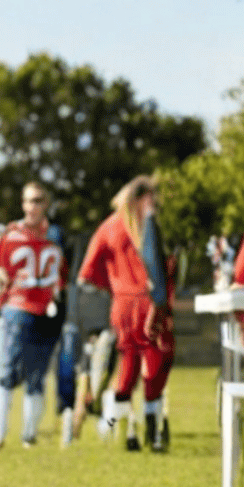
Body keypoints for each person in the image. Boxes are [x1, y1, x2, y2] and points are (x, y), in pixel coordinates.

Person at [78, 175, 175, 452]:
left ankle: (111, 428)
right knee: (154, 367)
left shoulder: (107, 227)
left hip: (121, 305)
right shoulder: (148, 224)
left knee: (128, 367)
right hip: (149, 302)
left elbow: (87, 273)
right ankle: (153, 433)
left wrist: (113, 285)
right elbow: (161, 266)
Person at [0, 183, 65, 450]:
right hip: (18, 309)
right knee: (5, 373)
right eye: (28, 201)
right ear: (22, 204)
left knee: (36, 377)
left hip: (47, 312)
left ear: (47, 203)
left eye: (38, 201)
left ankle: (28, 436)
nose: (32, 206)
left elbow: (62, 276)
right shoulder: (10, 234)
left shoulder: (55, 235)